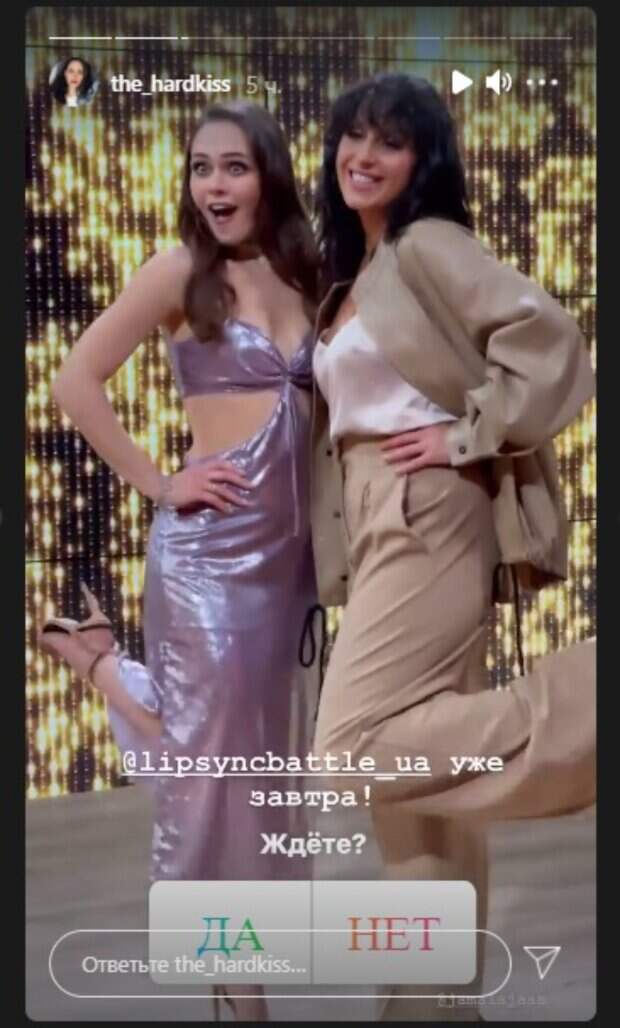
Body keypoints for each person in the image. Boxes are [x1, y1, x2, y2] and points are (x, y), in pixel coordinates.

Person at [310, 72, 596, 1021]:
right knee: (412, 792)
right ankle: (431, 1003)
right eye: (353, 136)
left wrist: (467, 434)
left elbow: (550, 339)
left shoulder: (428, 244)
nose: (363, 155)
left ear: (421, 161)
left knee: (353, 747)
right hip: (384, 513)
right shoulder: (358, 270)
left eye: (389, 141)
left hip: (425, 506)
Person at [39, 100, 320, 1022]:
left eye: (233, 166)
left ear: (268, 175)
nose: (214, 186)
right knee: (212, 774)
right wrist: (161, 484)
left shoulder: (310, 272)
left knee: (263, 768)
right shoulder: (176, 271)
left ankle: (100, 667)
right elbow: (74, 381)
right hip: (207, 560)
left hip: (288, 567)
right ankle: (239, 989)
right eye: (201, 168)